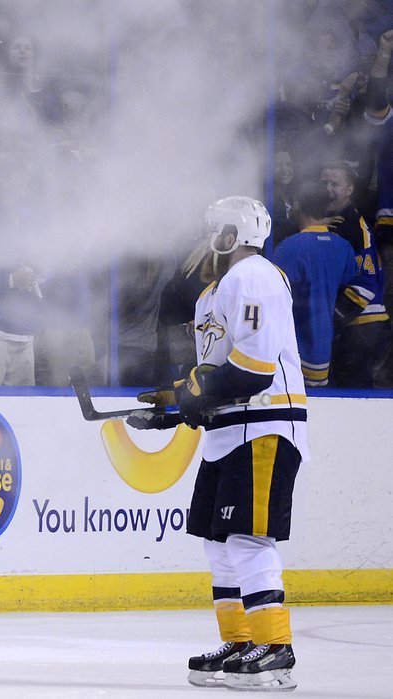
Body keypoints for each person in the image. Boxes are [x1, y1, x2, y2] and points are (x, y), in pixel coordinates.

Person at [131, 197, 306, 691]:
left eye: (215, 228)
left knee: (250, 539)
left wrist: (194, 395)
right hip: (230, 431)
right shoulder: (214, 291)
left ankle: (275, 649)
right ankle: (242, 638)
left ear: (235, 233)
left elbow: (253, 370)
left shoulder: (253, 275)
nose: (207, 236)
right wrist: (174, 401)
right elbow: (215, 372)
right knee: (218, 542)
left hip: (263, 425)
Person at [271, 183, 359, 387]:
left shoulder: (289, 248)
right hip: (326, 343)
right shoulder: (342, 246)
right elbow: (352, 283)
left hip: (294, 346)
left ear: (297, 205)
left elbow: (271, 296)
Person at [320, 162, 390, 387]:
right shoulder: (337, 222)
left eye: (335, 184)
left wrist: (334, 319)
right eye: (324, 183)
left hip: (363, 326)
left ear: (350, 189)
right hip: (360, 326)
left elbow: (366, 284)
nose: (328, 189)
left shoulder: (350, 226)